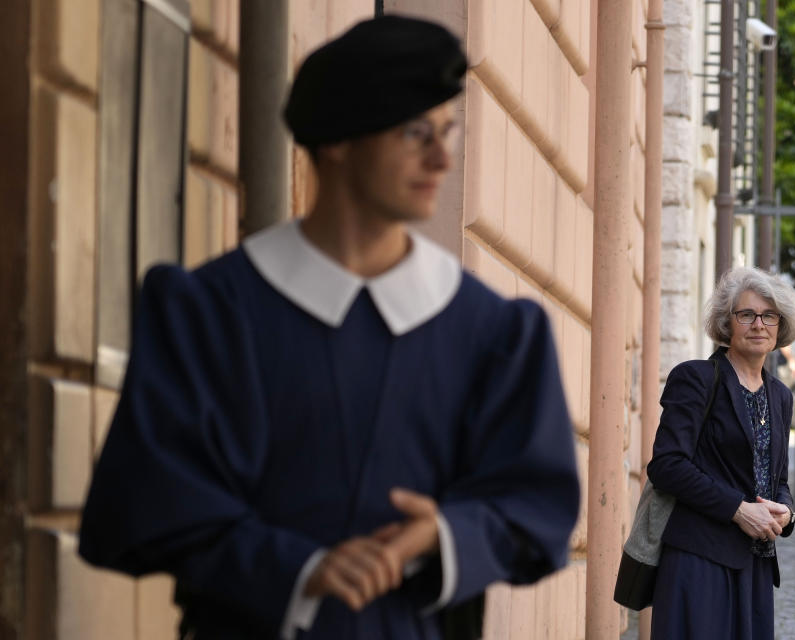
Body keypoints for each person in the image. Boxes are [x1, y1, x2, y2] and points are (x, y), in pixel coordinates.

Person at [78, 15, 580, 640]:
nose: (442, 157)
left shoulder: (496, 334)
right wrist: (297, 569)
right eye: (415, 131)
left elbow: (539, 511)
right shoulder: (205, 314)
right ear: (339, 139)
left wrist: (448, 535)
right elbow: (138, 509)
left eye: (448, 131)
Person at [646, 266, 795, 639]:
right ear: (727, 322)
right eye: (746, 314)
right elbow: (666, 465)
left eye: (769, 316)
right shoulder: (696, 378)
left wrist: (786, 511)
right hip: (699, 559)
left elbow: (775, 477)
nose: (758, 325)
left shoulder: (780, 395)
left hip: (756, 565)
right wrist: (737, 509)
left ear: (780, 326)